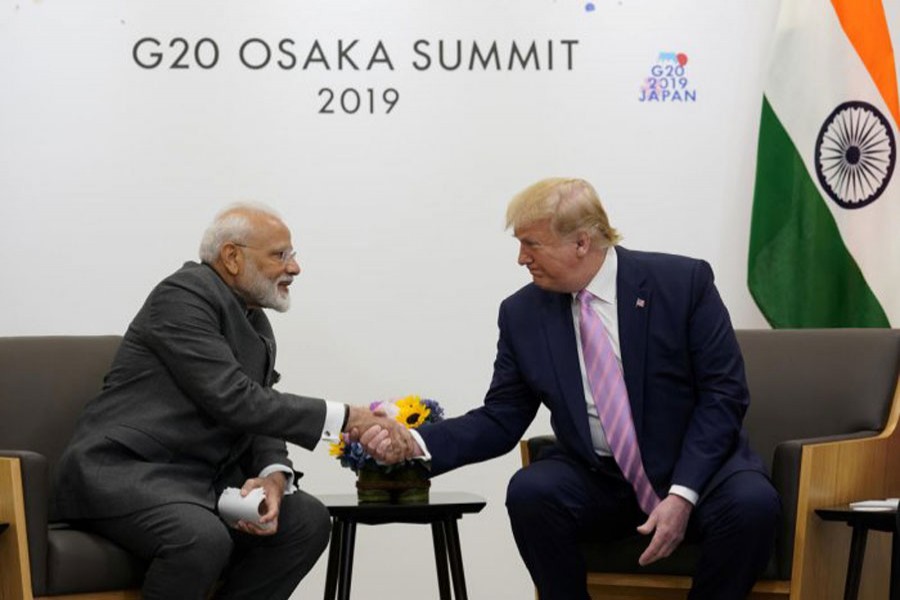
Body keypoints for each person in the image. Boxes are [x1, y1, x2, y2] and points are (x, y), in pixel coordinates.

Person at [363, 178, 780, 599]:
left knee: (753, 506)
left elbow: (723, 394)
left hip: (696, 472)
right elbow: (501, 418)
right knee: (531, 492)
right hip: (601, 479)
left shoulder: (682, 284)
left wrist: (682, 494)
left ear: (582, 242)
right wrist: (414, 442)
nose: (521, 258)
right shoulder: (522, 313)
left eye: (531, 244)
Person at [52, 203, 411, 600]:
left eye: (291, 254)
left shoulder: (255, 320)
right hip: (126, 472)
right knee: (200, 537)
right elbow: (235, 399)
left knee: (306, 521)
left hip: (196, 485)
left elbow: (259, 409)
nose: (294, 268)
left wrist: (274, 476)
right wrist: (348, 418)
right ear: (232, 257)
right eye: (280, 255)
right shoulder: (183, 295)